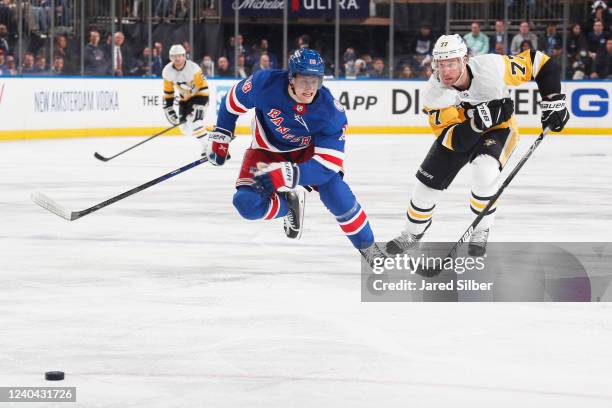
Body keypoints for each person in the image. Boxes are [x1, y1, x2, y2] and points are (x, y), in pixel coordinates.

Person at [386, 34, 569, 256]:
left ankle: (481, 230)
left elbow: (539, 62)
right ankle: (412, 233)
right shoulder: (433, 94)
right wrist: (477, 122)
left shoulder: (493, 67)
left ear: (465, 59)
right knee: (425, 185)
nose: (445, 71)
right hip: (457, 134)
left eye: (451, 63)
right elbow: (455, 141)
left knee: (485, 170)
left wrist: (553, 100)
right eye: (440, 64)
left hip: (499, 129)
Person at [199, 48, 383, 264]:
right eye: (304, 80)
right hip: (266, 150)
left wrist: (290, 174)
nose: (310, 88)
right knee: (246, 204)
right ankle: (287, 205)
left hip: (308, 154)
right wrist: (222, 132)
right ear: (291, 77)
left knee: (338, 196)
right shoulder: (264, 84)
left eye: (315, 80)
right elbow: (232, 103)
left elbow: (327, 165)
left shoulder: (331, 112)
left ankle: (370, 249)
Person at [161, 44, 210, 141]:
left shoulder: (194, 68)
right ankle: (212, 132)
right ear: (170, 57)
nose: (177, 59)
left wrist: (200, 105)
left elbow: (202, 86)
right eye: (174, 56)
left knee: (195, 121)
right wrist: (169, 107)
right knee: (185, 129)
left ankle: (207, 147)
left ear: (184, 56)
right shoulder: (167, 71)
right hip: (185, 99)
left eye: (179, 56)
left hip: (200, 95)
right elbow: (169, 92)